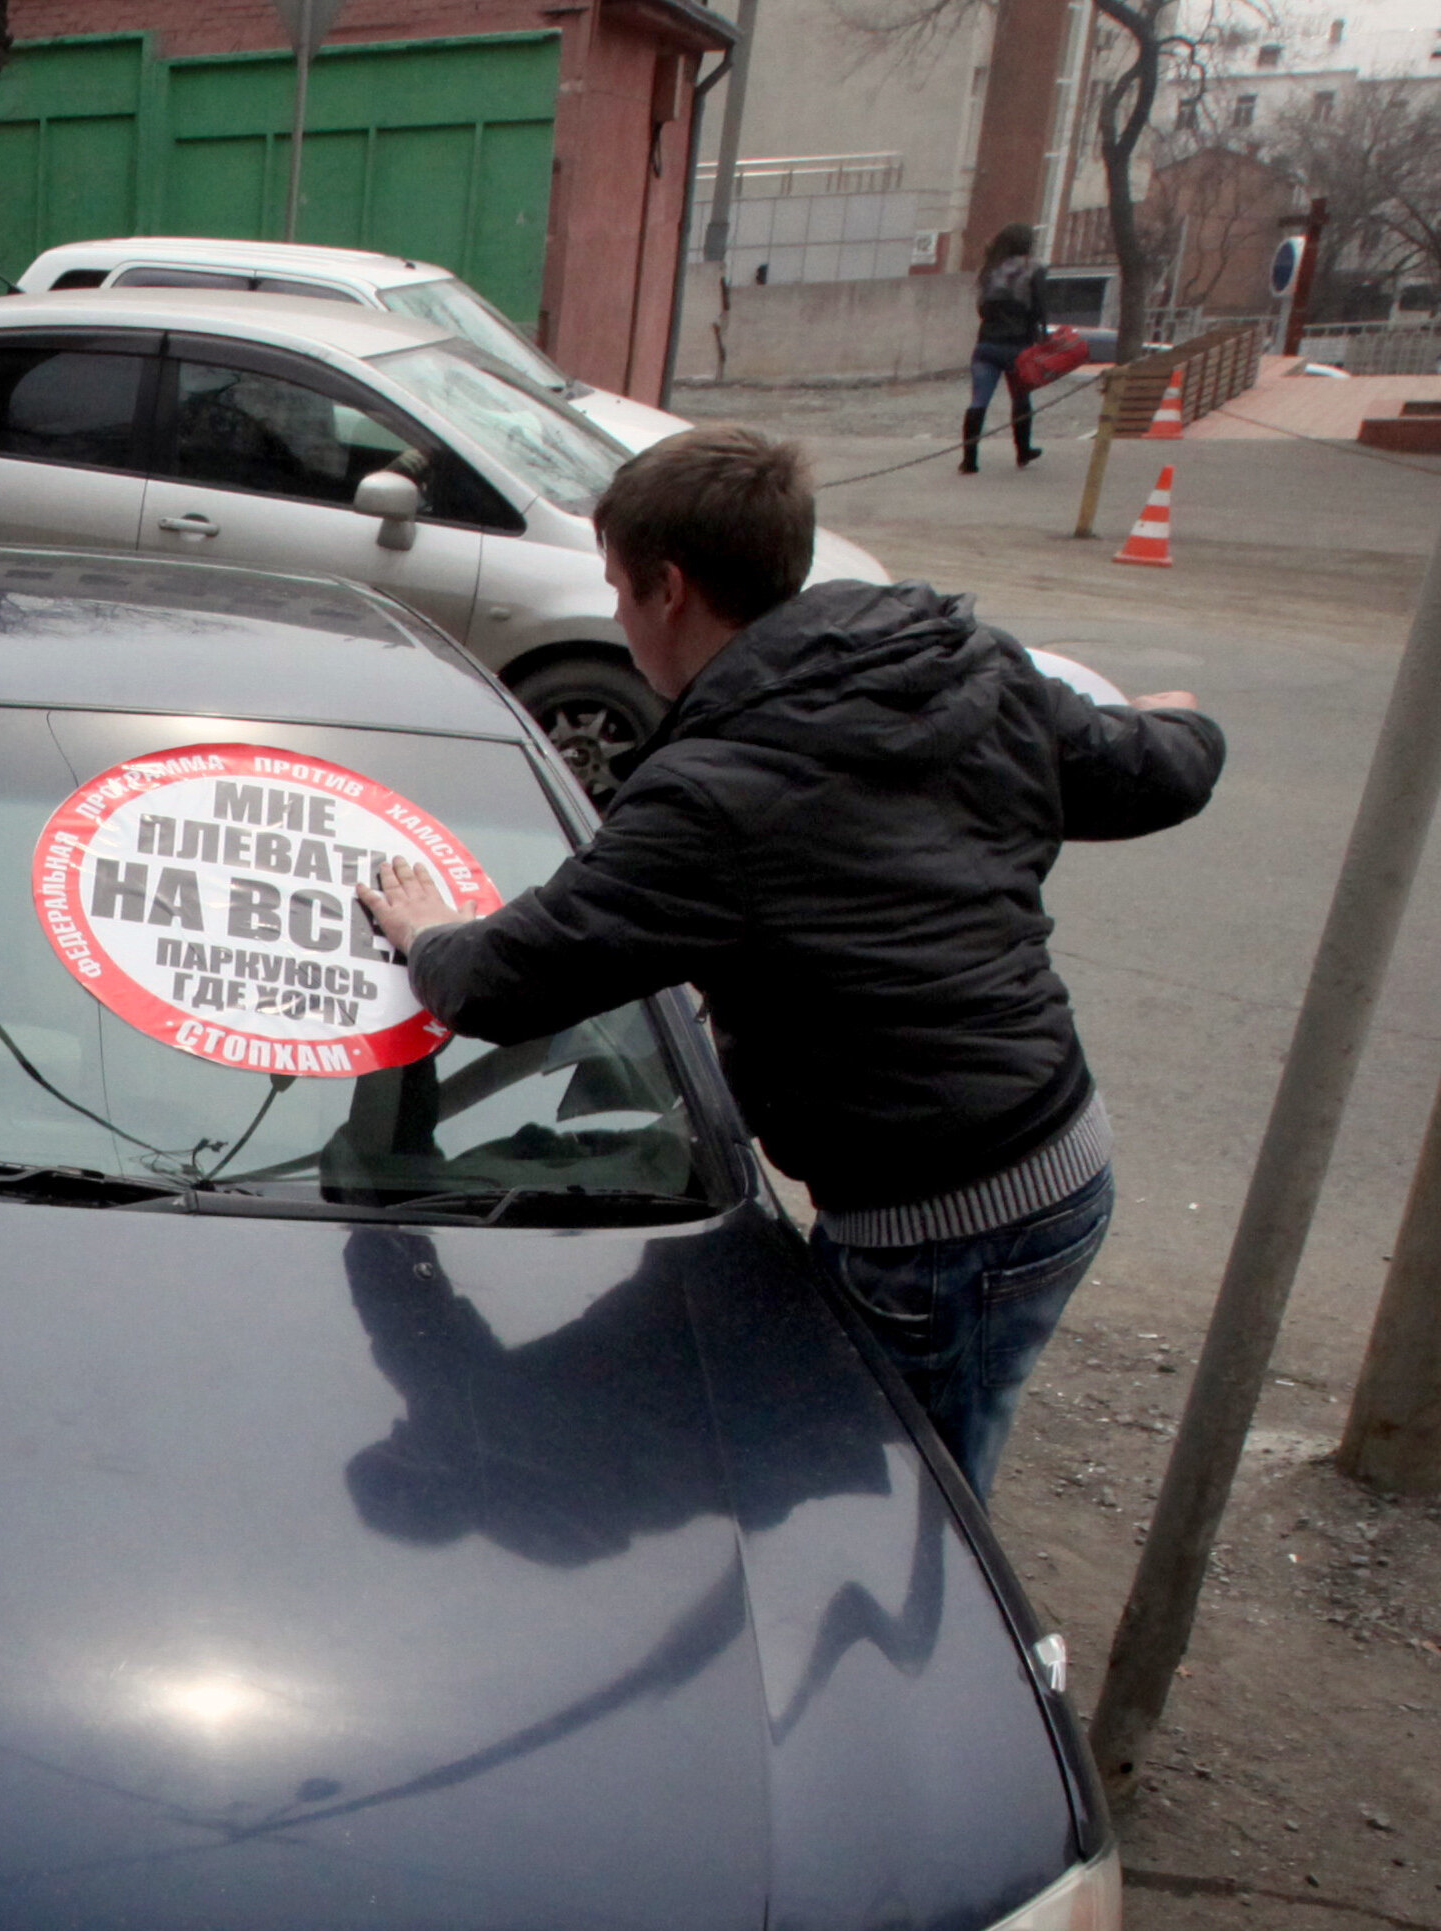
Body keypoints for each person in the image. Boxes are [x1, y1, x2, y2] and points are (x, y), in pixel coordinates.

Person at [355, 425, 1223, 1499]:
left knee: (916, 1506)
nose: (619, 626)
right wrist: (1180, 725)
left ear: (672, 589)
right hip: (1052, 1151)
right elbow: (1153, 774)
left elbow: (506, 979)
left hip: (946, 1229)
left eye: (621, 593)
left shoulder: (714, 795)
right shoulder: (957, 668)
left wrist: (429, 931)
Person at [967, 225, 1048, 475]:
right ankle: (1023, 451)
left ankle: (969, 460)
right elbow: (1039, 307)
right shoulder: (1034, 268)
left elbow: (982, 309)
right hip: (1017, 346)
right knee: (1021, 398)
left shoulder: (990, 269)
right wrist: (1040, 333)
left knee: (978, 401)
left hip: (987, 344)